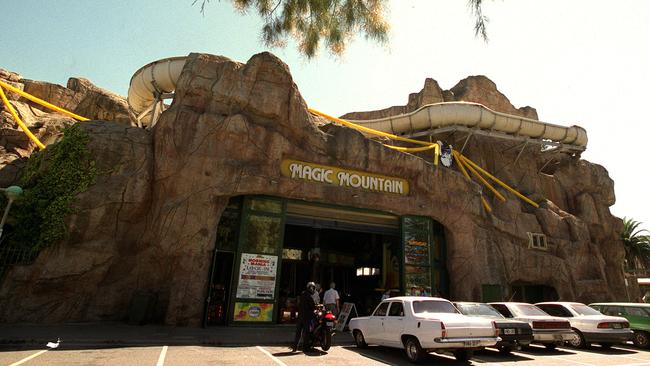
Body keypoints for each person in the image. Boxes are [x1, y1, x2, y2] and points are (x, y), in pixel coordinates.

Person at [292, 281, 317, 352]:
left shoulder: (302, 294)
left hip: (300, 316)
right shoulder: (309, 297)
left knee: (298, 333)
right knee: (306, 333)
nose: (312, 289)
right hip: (307, 317)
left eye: (313, 288)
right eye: (312, 288)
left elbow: (298, 304)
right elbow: (313, 306)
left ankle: (295, 347)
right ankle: (305, 348)